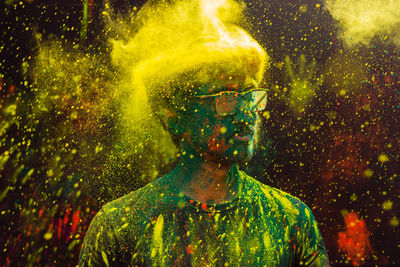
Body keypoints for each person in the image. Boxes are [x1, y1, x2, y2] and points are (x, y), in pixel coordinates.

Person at [79, 0, 330, 266]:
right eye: (225, 98)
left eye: (251, 96)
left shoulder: (291, 219)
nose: (247, 114)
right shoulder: (120, 225)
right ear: (173, 118)